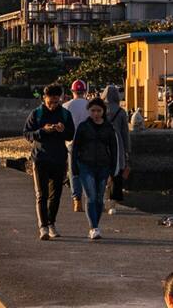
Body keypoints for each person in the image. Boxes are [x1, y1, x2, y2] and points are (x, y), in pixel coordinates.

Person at [24, 84, 75, 240]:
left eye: (56, 99)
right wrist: (42, 131)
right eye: (50, 99)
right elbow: (27, 134)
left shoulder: (65, 114)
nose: (53, 102)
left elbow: (71, 135)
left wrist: (62, 130)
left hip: (59, 158)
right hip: (40, 158)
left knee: (56, 195)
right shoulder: (36, 114)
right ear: (44, 98)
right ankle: (43, 227)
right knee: (41, 194)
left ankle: (51, 223)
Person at [71, 98, 120, 239]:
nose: (96, 114)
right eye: (93, 111)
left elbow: (114, 149)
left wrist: (113, 171)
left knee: (99, 198)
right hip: (86, 165)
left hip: (104, 166)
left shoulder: (109, 128)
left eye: (99, 110)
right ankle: (94, 227)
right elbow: (75, 148)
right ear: (89, 111)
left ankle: (95, 224)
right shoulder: (83, 127)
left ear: (103, 111)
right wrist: (74, 168)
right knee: (91, 197)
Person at [100, 86, 134, 207]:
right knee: (117, 174)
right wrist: (127, 150)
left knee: (102, 173)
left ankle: (102, 199)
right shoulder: (121, 112)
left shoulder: (100, 110)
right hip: (118, 144)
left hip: (102, 144)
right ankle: (113, 203)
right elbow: (125, 133)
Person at [62, 80, 93, 212]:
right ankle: (90, 199)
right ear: (85, 91)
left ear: (72, 91)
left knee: (73, 171)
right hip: (88, 143)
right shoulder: (90, 106)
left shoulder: (65, 106)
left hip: (72, 143)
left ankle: (77, 201)